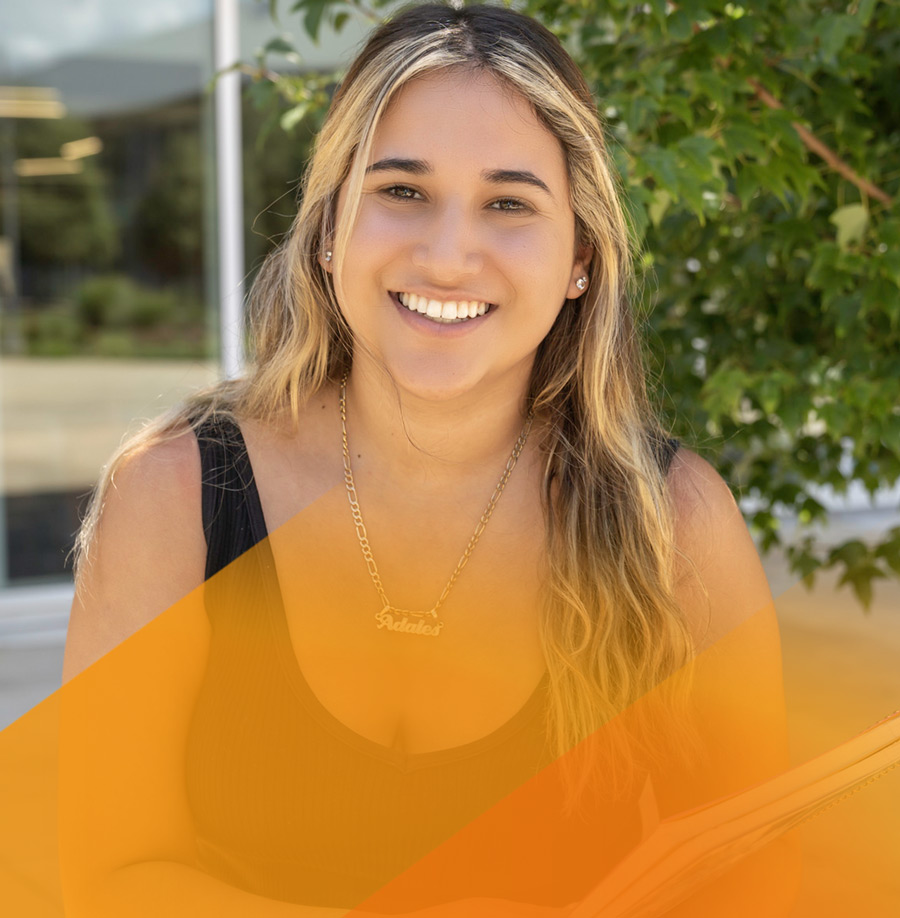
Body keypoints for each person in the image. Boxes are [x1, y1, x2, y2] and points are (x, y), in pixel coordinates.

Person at [60, 4, 793, 916]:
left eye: (509, 204)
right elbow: (97, 878)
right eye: (402, 191)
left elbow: (758, 885)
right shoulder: (174, 499)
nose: (448, 256)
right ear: (330, 232)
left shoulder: (673, 524)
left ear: (580, 257)